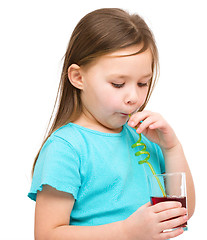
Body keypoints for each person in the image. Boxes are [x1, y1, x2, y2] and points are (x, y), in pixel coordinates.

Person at [28, 8, 195, 240]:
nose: (134, 97)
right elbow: (46, 235)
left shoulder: (145, 137)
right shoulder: (66, 148)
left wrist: (171, 148)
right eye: (118, 84)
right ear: (78, 77)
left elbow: (180, 213)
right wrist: (126, 232)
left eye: (143, 83)